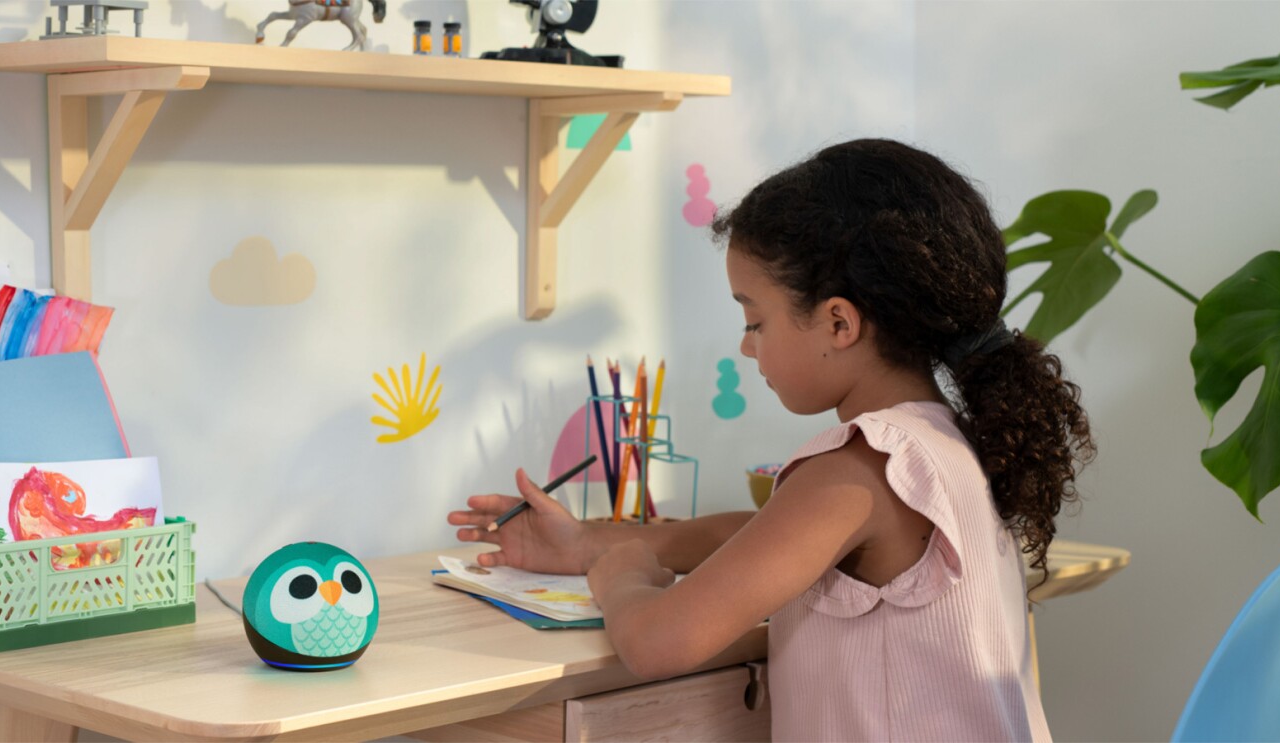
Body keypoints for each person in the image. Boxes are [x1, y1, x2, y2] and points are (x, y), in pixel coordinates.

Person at [449, 138, 1094, 741]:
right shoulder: (939, 442)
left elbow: (656, 642)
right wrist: (590, 541)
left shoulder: (865, 466)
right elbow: (763, 536)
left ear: (839, 322)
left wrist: (621, 578)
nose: (745, 344)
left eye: (755, 320)